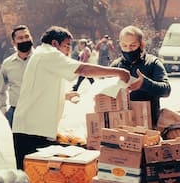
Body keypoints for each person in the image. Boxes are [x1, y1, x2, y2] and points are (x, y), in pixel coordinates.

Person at [12, 26, 141, 169]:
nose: (68, 51)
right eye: (67, 46)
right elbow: (83, 69)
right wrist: (118, 72)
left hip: (30, 127)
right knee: (36, 175)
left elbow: (38, 87)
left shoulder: (41, 54)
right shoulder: (49, 54)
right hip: (32, 130)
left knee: (35, 177)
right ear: (55, 43)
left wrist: (65, 96)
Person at [109, 25, 171, 125]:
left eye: (133, 45)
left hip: (149, 123)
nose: (128, 50)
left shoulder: (153, 63)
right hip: (121, 124)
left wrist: (144, 84)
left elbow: (166, 90)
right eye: (124, 46)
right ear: (120, 45)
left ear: (141, 44)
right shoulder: (115, 66)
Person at [0, 25, 33, 128]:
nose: (25, 40)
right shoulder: (7, 64)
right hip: (16, 112)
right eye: (20, 38)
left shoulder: (41, 59)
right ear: (13, 42)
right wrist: (4, 110)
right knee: (20, 144)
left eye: (27, 36)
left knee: (43, 144)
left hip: (38, 111)